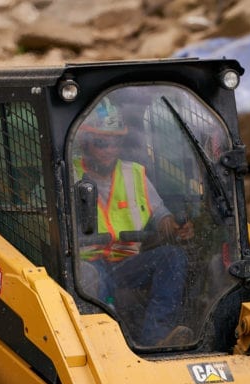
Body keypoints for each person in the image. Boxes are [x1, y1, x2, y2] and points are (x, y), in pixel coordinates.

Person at [73, 98, 195, 347]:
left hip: (126, 263)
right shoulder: (67, 173)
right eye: (101, 143)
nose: (110, 149)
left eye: (116, 142)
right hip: (85, 263)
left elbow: (161, 216)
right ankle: (104, 345)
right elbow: (41, 217)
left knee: (173, 257)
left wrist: (176, 227)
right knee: (89, 277)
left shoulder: (134, 173)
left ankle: (156, 338)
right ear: (85, 143)